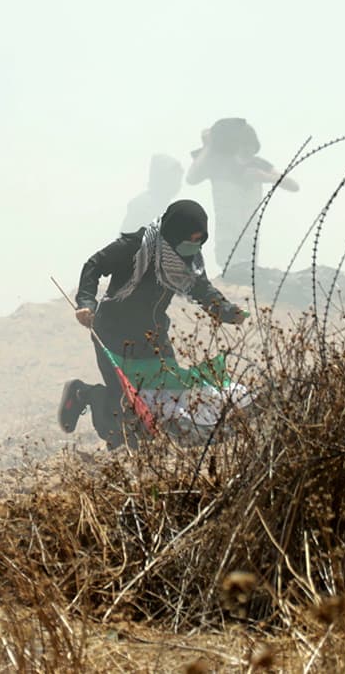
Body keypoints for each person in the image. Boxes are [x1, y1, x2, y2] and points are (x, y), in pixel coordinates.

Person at [57, 199, 247, 449]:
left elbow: (200, 288)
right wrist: (86, 302)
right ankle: (86, 394)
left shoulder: (186, 259)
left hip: (153, 337)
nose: (194, 246)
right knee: (124, 409)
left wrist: (224, 310)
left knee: (166, 400)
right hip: (114, 335)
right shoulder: (135, 247)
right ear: (173, 231)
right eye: (189, 239)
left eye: (200, 240)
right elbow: (95, 265)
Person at [184, 117, 298, 280]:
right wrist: (207, 147)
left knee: (246, 274)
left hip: (249, 234)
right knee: (233, 271)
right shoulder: (219, 164)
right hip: (227, 235)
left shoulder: (257, 164)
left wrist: (267, 177)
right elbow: (192, 177)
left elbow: (293, 186)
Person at [122, 154, 184, 232]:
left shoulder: (166, 206)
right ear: (160, 178)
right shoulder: (142, 205)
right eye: (174, 179)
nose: (178, 184)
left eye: (178, 179)